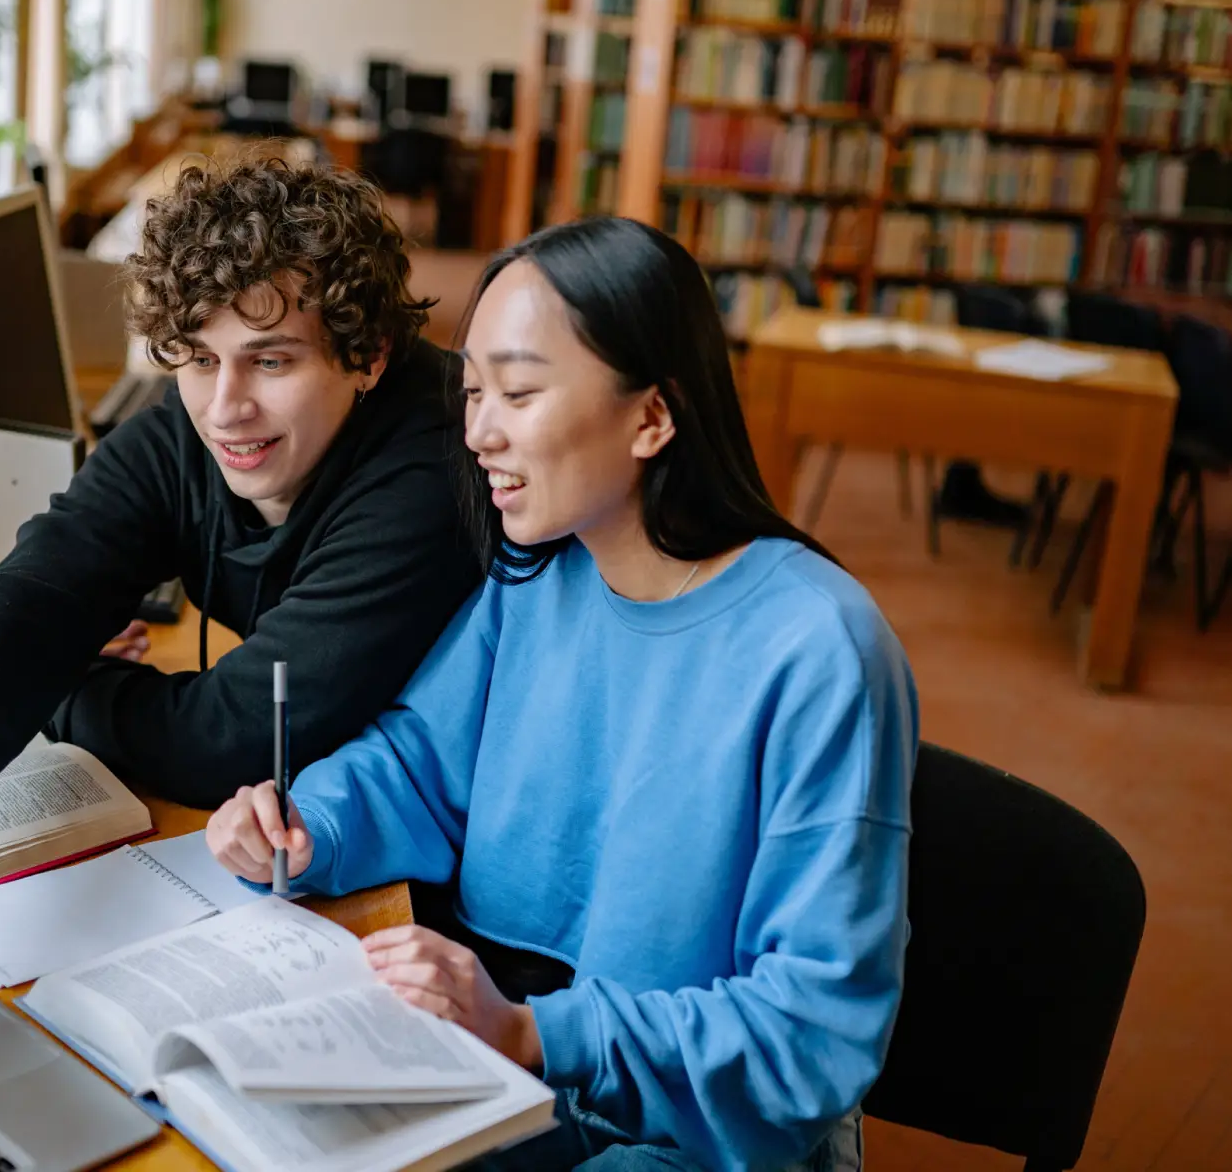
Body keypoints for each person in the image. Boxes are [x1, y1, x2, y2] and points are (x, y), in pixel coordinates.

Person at [207, 216, 918, 1171]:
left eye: (520, 391)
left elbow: (810, 1034)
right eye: (470, 392)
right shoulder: (537, 570)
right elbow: (421, 763)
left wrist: (536, 1035)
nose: (478, 432)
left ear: (652, 417)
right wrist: (307, 823)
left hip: (694, 1138)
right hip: (521, 1072)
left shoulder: (818, 648)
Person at [0, 158, 480, 947]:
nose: (225, 409)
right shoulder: (188, 426)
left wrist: (70, 681)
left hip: (449, 901)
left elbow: (233, 737)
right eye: (199, 358)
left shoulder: (434, 463)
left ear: (367, 354)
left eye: (271, 360)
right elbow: (40, 585)